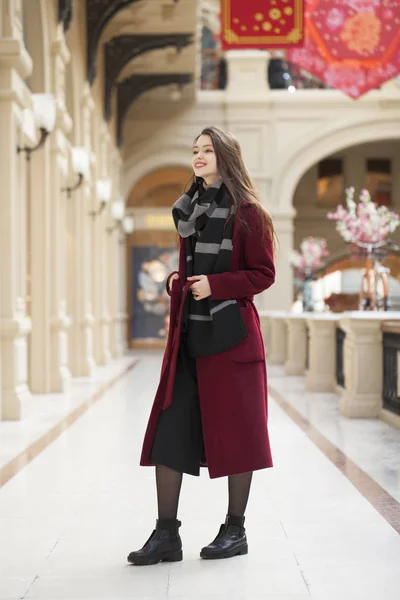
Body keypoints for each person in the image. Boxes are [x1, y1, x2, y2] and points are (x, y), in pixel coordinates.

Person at [127, 126, 276, 566]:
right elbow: (193, 267)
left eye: (207, 149)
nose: (198, 155)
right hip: (190, 336)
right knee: (171, 430)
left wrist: (216, 284)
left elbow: (263, 274)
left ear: (225, 155)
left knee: (239, 434)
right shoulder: (189, 209)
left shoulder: (249, 213)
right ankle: (166, 534)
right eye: (194, 150)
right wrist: (180, 280)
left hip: (231, 340)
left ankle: (235, 530)